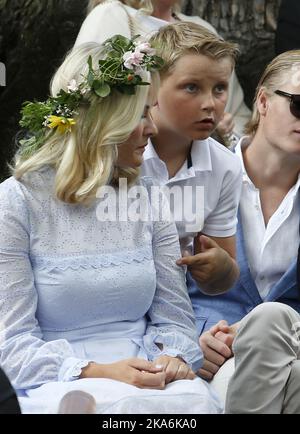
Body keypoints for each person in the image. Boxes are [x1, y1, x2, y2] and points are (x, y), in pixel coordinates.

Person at [0, 35, 222, 414]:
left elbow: (175, 317)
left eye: (150, 112)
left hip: (150, 374)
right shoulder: (17, 200)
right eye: (139, 115)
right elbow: (11, 344)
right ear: (101, 121)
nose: (152, 129)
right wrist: (99, 372)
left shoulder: (150, 197)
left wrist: (169, 358)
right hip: (57, 381)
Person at [192, 50, 300, 413]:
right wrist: (193, 339)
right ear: (264, 102)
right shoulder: (201, 176)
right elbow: (160, 284)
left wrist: (261, 333)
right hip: (217, 353)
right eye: (299, 105)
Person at [142, 22, 242, 297]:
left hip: (173, 303)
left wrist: (221, 270)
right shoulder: (118, 152)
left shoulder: (225, 167)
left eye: (220, 88)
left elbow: (221, 279)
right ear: (152, 87)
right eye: (191, 87)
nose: (210, 103)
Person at [75, 0, 251, 142]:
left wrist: (225, 130)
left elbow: (237, 116)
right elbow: (88, 101)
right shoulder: (111, 15)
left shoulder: (202, 28)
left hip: (196, 162)